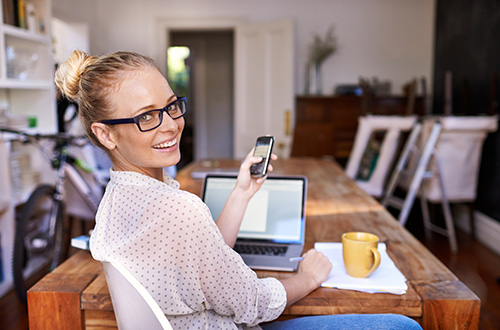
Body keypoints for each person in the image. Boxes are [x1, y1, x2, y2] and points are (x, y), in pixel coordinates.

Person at [54, 50, 422, 330]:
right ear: (105, 133)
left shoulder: (117, 201)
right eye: (146, 116)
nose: (170, 125)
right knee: (403, 325)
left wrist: (242, 192)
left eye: (171, 106)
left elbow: (201, 261)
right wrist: (307, 277)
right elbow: (252, 303)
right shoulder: (178, 209)